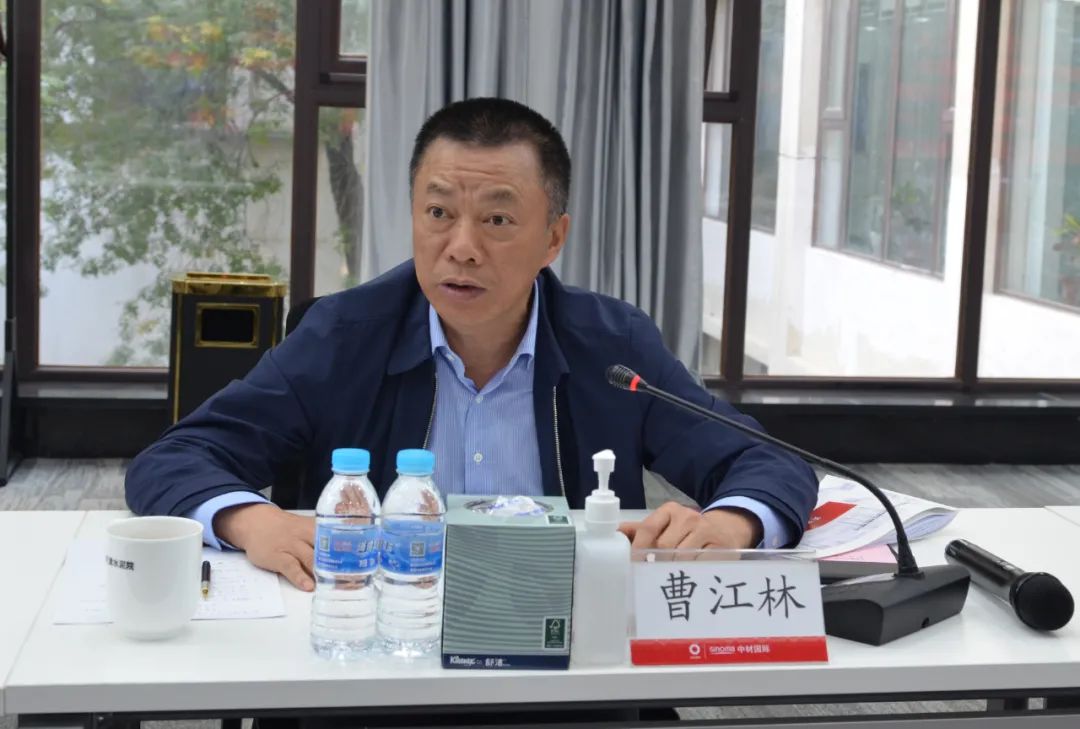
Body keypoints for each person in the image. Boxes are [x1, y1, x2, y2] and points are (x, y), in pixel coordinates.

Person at [126, 98, 819, 591]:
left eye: (496, 219)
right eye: (438, 212)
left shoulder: (612, 346)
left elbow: (768, 463)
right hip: (372, 654)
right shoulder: (341, 337)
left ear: (553, 237)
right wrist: (251, 520)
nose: (461, 246)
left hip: (561, 657)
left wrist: (734, 523)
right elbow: (173, 460)